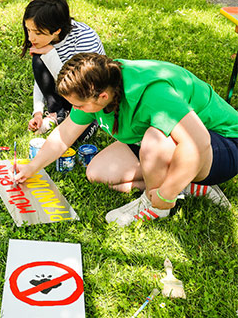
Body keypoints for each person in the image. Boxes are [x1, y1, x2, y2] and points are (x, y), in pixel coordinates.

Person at [15, 53, 238, 227]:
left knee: (153, 140)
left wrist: (165, 193)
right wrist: (33, 167)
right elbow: (65, 134)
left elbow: (197, 144)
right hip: (173, 141)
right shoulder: (102, 84)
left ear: (102, 97)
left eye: (79, 106)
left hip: (223, 145)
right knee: (97, 173)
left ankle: (156, 206)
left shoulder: (153, 93)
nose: (76, 110)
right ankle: (188, 185)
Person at [21, 0, 104, 140]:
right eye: (29, 30)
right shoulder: (44, 40)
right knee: (39, 59)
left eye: (38, 33)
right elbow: (41, 79)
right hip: (69, 94)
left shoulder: (84, 38)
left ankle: (88, 120)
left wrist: (51, 53)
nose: (30, 38)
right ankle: (57, 114)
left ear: (57, 30)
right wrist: (38, 112)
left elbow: (81, 88)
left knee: (77, 138)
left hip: (89, 98)